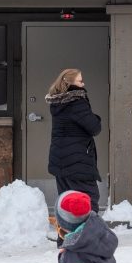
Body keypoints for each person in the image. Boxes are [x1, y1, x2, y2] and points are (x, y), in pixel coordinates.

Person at [46, 68, 102, 212]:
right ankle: (88, 233)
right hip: (78, 161)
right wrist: (96, 117)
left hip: (60, 159)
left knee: (67, 201)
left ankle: (65, 233)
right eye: (80, 80)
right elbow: (94, 127)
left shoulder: (57, 102)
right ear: (69, 82)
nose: (83, 84)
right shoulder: (77, 102)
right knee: (88, 200)